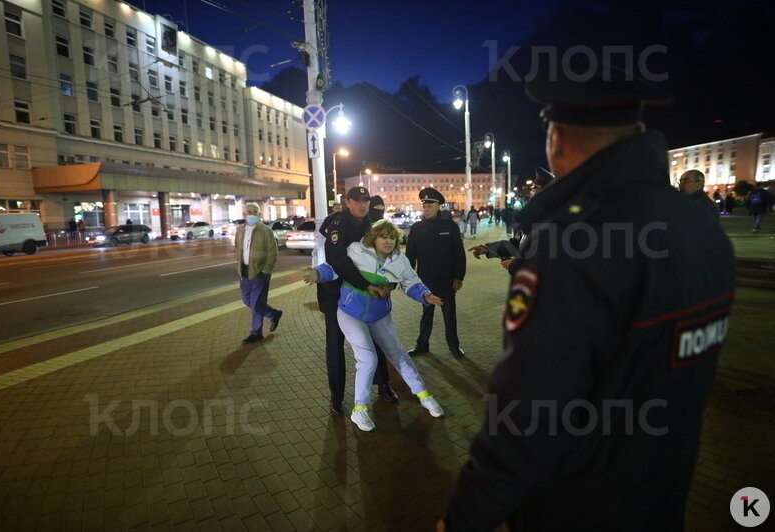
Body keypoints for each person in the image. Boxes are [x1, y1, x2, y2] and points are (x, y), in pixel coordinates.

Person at [440, 63, 735, 531]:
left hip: (577, 507)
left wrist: (465, 517)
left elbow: (530, 414)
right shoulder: (699, 224)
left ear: (555, 138)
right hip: (662, 494)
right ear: (637, 132)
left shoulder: (571, 242)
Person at [305, 220, 445, 431]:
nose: (388, 241)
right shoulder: (357, 250)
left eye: (392, 237)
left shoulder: (401, 261)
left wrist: (425, 294)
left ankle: (424, 396)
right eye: (383, 236)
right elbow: (335, 268)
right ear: (374, 238)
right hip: (350, 313)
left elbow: (412, 283)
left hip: (379, 315)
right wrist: (317, 274)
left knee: (398, 355)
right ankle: (359, 410)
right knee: (368, 359)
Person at [319, 187, 398, 416]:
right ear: (347, 202)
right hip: (336, 293)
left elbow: (387, 253)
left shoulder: (373, 224)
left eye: (366, 201)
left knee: (376, 338)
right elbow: (338, 261)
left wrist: (389, 282)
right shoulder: (337, 224)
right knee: (335, 343)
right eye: (358, 201)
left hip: (367, 294)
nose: (363, 205)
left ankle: (382, 384)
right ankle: (337, 397)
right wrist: (366, 284)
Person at [406, 188, 467, 358]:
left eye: (430, 206)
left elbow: (459, 254)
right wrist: (408, 279)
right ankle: (422, 345)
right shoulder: (416, 228)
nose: (426, 209)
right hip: (425, 281)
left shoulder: (450, 227)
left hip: (446, 281)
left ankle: (454, 346)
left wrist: (459, 276)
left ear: (438, 206)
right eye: (424, 206)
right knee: (426, 315)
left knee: (449, 315)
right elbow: (410, 255)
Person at [235, 202, 282, 344]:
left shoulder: (266, 231)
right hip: (244, 272)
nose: (251, 214)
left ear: (259, 214)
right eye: (248, 212)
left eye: (254, 212)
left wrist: (265, 271)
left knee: (256, 303)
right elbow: (238, 249)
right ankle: (273, 313)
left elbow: (273, 253)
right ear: (244, 214)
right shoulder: (239, 230)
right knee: (247, 300)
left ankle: (256, 332)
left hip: (260, 272)